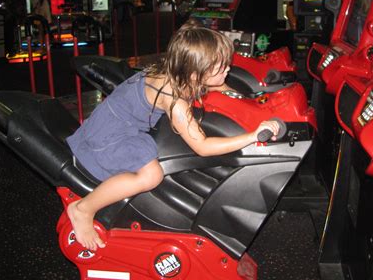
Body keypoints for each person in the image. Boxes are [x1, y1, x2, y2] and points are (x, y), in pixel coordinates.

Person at [66, 26, 280, 251]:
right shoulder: (175, 100)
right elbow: (203, 147)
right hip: (111, 133)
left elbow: (221, 85)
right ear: (196, 73)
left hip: (117, 116)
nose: (227, 69)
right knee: (151, 175)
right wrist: (252, 136)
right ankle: (83, 209)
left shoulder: (180, 70)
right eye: (220, 68)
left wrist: (249, 98)